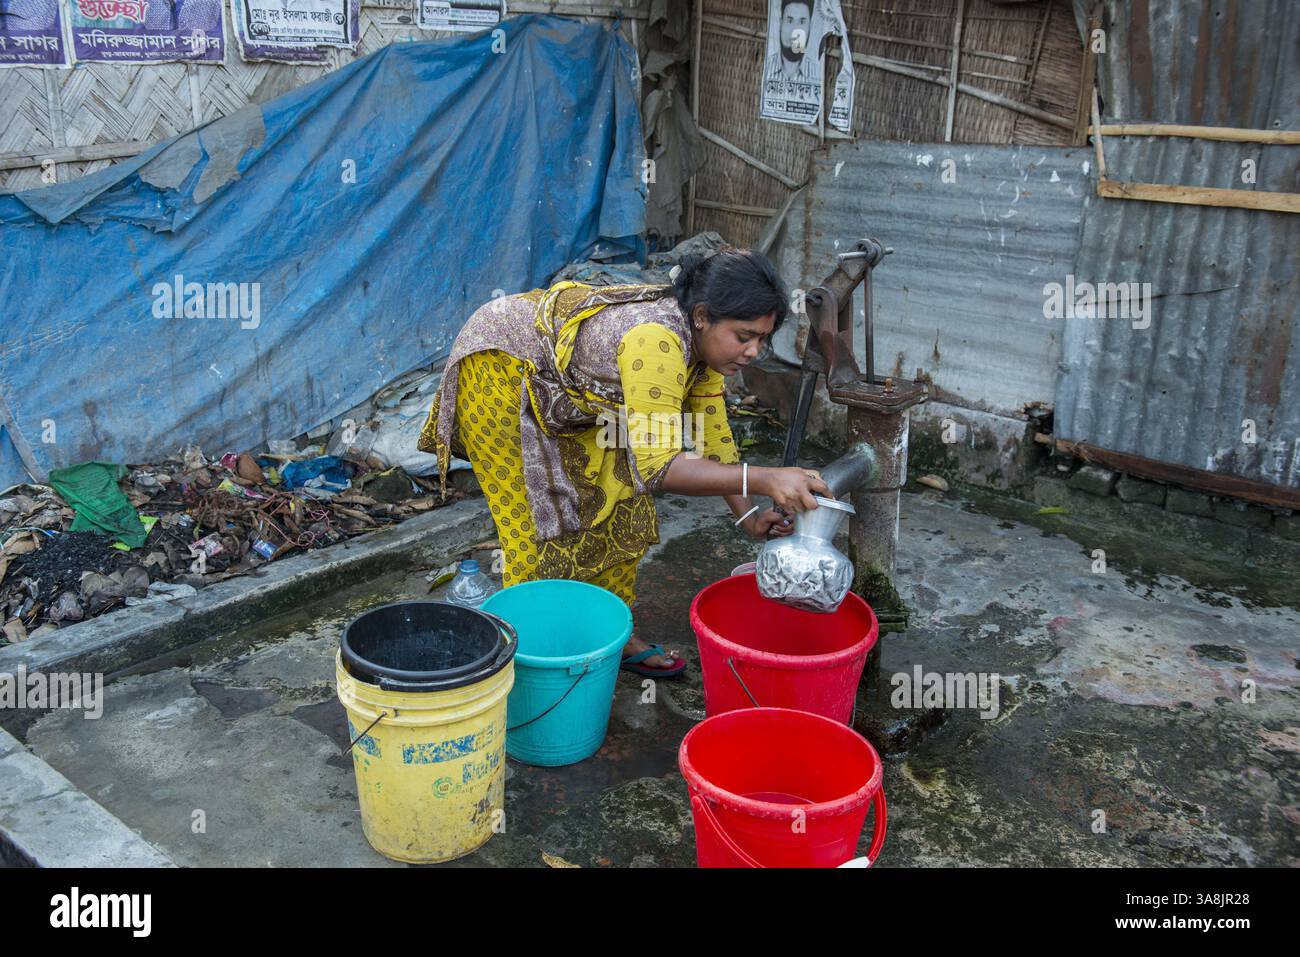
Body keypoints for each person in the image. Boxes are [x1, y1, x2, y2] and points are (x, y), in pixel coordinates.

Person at [419, 248, 830, 678]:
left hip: (577, 392)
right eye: (744, 336)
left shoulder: (706, 349)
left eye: (762, 340)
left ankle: (614, 634)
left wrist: (747, 514)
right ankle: (537, 661)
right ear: (703, 315)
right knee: (539, 525)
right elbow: (661, 468)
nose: (752, 352)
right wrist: (767, 479)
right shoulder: (656, 341)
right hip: (502, 369)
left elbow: (714, 443)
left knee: (619, 504)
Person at [764, 0, 817, 83]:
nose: (795, 30)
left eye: (802, 22)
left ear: (810, 26)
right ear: (780, 23)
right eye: (789, 21)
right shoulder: (766, 67)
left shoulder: (816, 72)